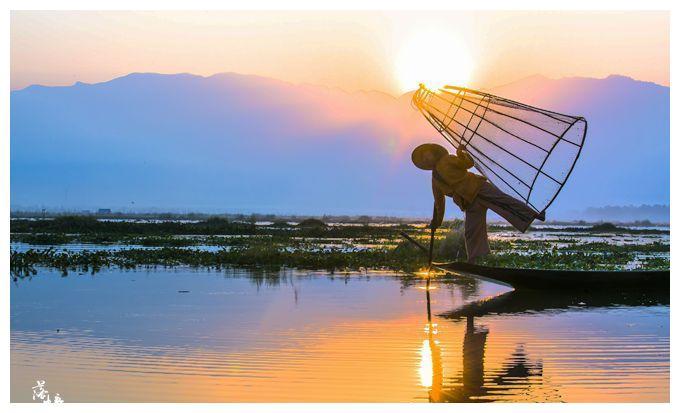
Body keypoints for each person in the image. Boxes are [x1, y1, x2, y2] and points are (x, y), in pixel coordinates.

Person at [411, 143, 544, 263]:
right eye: (424, 158)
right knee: (471, 232)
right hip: (468, 202)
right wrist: (437, 222)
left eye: (427, 155)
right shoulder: (435, 180)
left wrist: (461, 154)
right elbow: (439, 202)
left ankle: (533, 215)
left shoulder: (447, 159)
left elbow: (468, 164)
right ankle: (476, 260)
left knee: (503, 202)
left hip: (479, 188)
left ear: (433, 153)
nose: (426, 158)